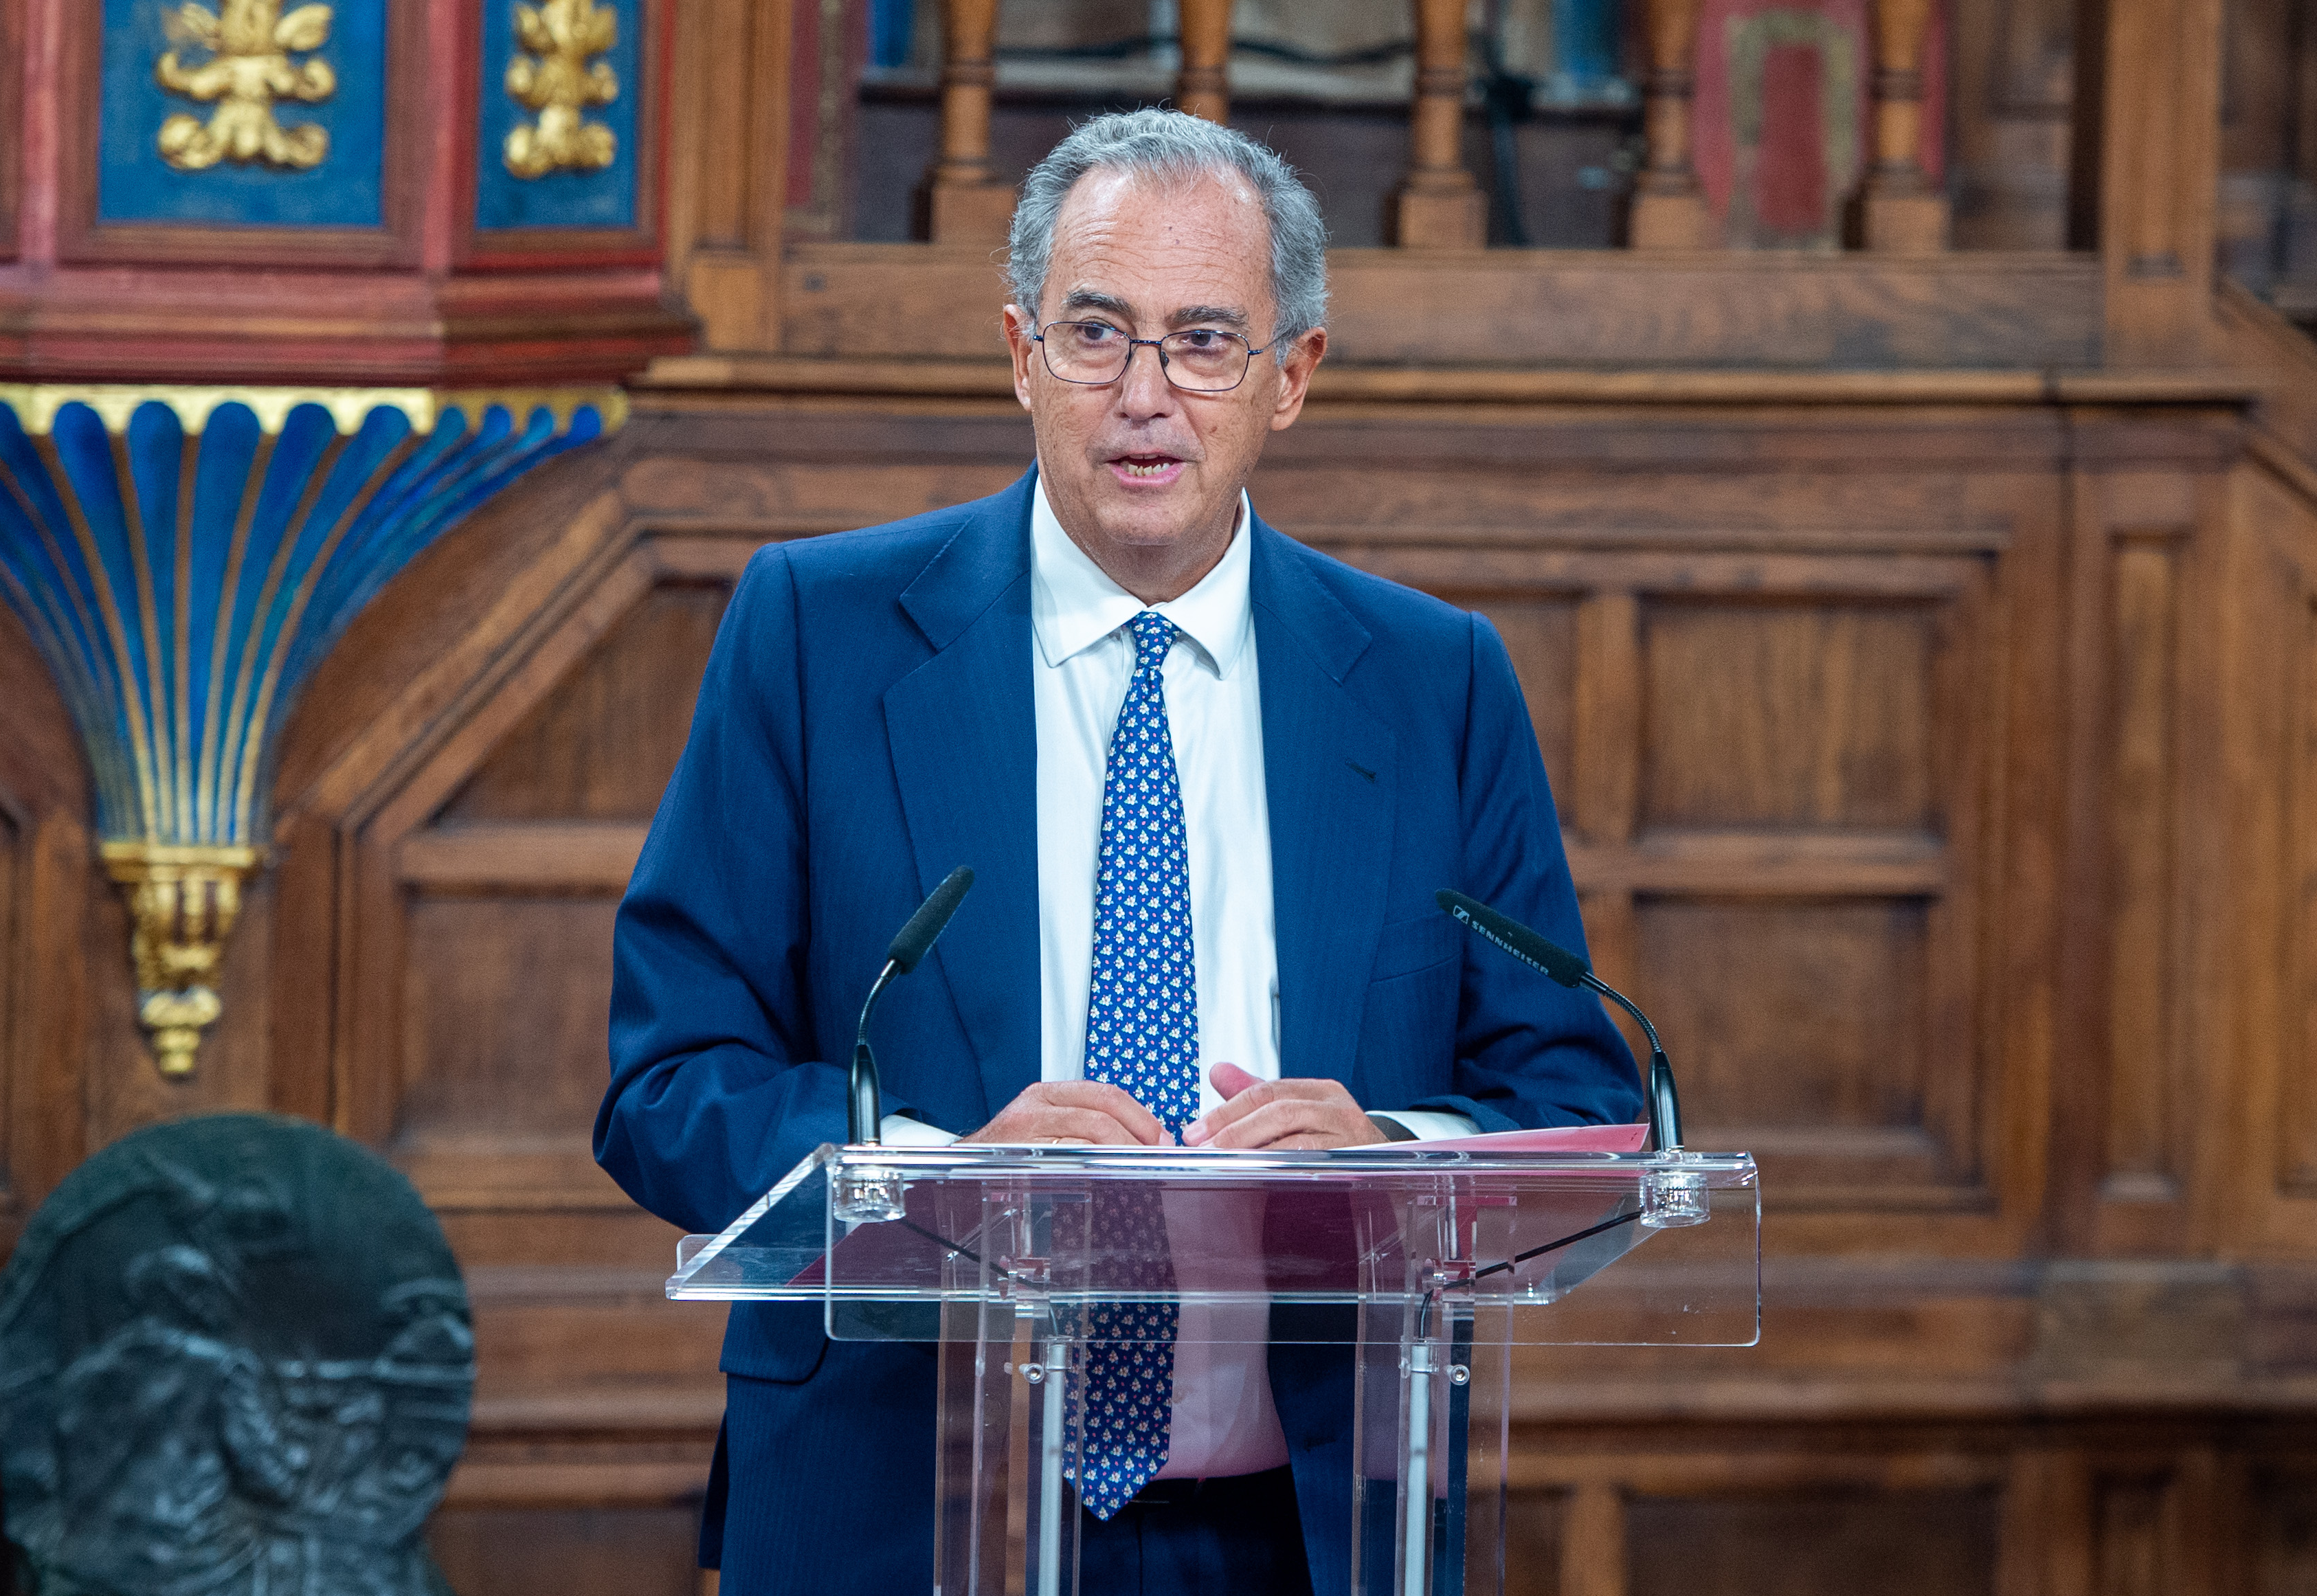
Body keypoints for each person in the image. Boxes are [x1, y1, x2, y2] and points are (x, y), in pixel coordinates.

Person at [596, 109, 1641, 1596]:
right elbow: (667, 1083)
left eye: (1204, 342)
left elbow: (1575, 1104)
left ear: (1291, 376)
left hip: (1300, 1535)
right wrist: (939, 1180)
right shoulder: (815, 634)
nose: (1144, 396)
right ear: (1020, 355)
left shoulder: (1433, 683)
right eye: (1096, 334)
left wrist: (1387, 1161)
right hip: (902, 1508)